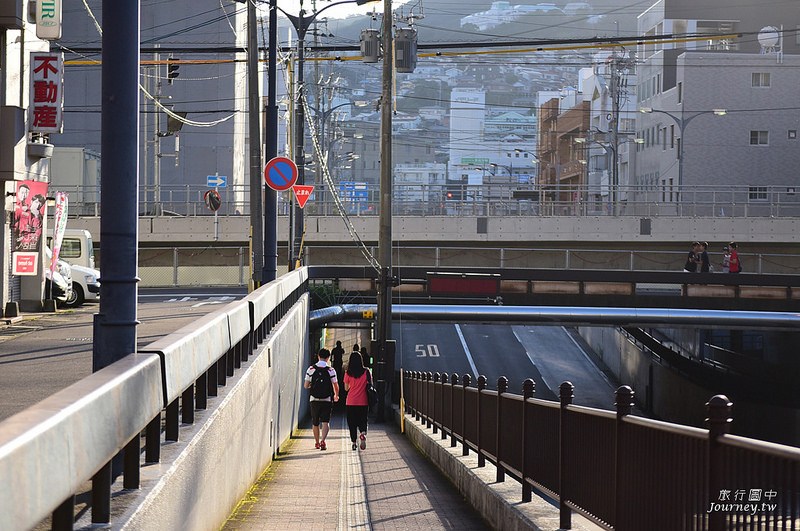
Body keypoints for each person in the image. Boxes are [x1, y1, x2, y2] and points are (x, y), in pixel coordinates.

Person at [304, 348, 339, 450]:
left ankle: (316, 442)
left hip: (314, 399)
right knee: (325, 422)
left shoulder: (311, 369)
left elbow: (306, 386)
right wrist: (336, 395)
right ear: (328, 358)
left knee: (315, 422)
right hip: (327, 399)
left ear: (318, 356)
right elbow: (335, 385)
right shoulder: (331, 370)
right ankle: (323, 440)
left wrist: (312, 385)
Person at [343, 350, 371, 451]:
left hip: (350, 401)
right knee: (363, 420)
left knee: (352, 423)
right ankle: (363, 433)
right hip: (363, 401)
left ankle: (354, 443)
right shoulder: (366, 371)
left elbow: (346, 388)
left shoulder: (348, 373)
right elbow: (370, 384)